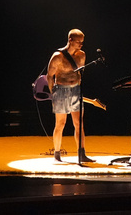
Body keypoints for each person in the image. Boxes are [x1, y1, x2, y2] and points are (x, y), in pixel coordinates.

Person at [46, 28, 94, 163]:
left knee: (79, 123)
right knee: (60, 123)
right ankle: (57, 153)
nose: (80, 45)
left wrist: (78, 86)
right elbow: (50, 76)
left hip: (76, 90)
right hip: (61, 90)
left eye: (82, 42)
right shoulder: (58, 56)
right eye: (78, 42)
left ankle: (82, 153)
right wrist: (53, 94)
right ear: (70, 40)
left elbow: (80, 73)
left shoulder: (82, 55)